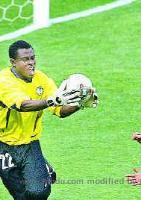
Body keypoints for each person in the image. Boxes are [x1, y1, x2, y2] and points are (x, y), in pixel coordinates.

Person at [0, 40, 97, 200]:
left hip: (30, 144)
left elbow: (60, 110)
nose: (31, 63)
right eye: (26, 59)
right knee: (20, 194)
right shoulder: (4, 81)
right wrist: (53, 100)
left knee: (39, 193)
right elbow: (23, 105)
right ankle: (43, 169)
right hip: (3, 145)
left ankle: (41, 169)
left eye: (33, 58)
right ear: (13, 63)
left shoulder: (41, 79)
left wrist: (79, 103)